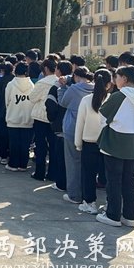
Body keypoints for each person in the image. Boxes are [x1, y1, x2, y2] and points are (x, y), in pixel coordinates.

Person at [97, 65, 134, 227]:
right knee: (129, 180)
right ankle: (130, 216)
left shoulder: (119, 96)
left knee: (114, 180)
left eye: (116, 77)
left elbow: (102, 117)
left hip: (115, 142)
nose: (114, 81)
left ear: (124, 78)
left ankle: (113, 215)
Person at [75, 69, 112, 215]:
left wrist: (78, 143)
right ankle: (110, 203)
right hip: (107, 143)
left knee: (88, 175)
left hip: (89, 142)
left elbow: (80, 123)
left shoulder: (86, 100)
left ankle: (89, 203)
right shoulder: (113, 99)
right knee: (108, 176)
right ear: (109, 84)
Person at [60, 66, 94, 205]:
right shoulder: (96, 88)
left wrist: (62, 88)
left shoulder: (73, 89)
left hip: (72, 130)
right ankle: (87, 195)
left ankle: (74, 194)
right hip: (90, 130)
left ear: (76, 76)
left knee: (73, 163)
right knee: (87, 165)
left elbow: (63, 102)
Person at [29, 58, 59, 181]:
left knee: (40, 145)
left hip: (41, 117)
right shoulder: (59, 82)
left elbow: (32, 98)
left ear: (45, 69)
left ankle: (39, 172)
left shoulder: (42, 83)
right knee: (53, 146)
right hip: (54, 118)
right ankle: (52, 173)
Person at [45, 60, 73, 191]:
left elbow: (50, 106)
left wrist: (52, 121)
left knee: (60, 157)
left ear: (59, 71)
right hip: (74, 127)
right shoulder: (76, 87)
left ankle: (61, 183)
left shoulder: (56, 87)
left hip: (60, 126)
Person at [4, 61, 34, 172]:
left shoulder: (11, 85)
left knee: (14, 143)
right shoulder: (32, 85)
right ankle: (23, 165)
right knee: (25, 144)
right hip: (27, 118)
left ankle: (13, 164)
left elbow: (7, 101)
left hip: (13, 117)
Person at [0, 62, 14, 164]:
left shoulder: (1, 81)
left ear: (3, 70)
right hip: (13, 111)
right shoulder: (14, 79)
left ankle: (2, 156)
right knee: (11, 135)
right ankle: (10, 155)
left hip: (2, 110)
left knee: (1, 134)